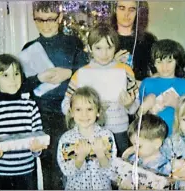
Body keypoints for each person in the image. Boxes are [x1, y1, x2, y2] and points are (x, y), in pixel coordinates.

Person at [20, 1, 89, 189]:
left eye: (50, 19)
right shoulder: (29, 47)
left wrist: (70, 72)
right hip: (41, 115)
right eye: (39, 20)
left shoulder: (72, 42)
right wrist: (39, 78)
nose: (45, 24)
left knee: (75, 163)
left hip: (70, 113)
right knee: (50, 168)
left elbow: (88, 72)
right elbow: (20, 86)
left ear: (59, 18)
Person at [61, 23, 139, 157]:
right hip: (90, 132)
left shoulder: (125, 71)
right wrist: (86, 108)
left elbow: (134, 106)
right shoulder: (81, 73)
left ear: (115, 47)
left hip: (119, 131)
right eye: (98, 48)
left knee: (118, 171)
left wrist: (129, 104)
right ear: (90, 48)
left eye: (109, 47)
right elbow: (65, 105)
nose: (104, 54)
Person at [0, 54, 47, 190]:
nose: (13, 79)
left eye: (16, 73)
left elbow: (38, 138)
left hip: (26, 172)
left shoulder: (30, 106)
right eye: (5, 75)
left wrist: (37, 149)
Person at [57, 86, 117, 190]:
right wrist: (80, 158)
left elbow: (113, 173)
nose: (84, 114)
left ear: (98, 111)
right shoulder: (66, 139)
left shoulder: (106, 136)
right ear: (71, 112)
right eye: (78, 109)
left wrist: (101, 155)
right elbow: (66, 171)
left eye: (89, 109)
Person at [138, 39, 185, 136]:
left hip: (177, 137)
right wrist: (143, 109)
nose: (164, 67)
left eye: (169, 61)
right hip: (151, 137)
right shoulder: (147, 83)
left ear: (177, 61)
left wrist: (176, 104)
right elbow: (138, 118)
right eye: (159, 62)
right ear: (153, 63)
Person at [118, 114, 171, 189]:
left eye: (139, 146)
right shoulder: (134, 157)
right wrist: (125, 156)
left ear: (156, 143)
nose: (134, 149)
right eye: (133, 144)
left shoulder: (163, 166)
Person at [111, 0, 157, 82]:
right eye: (122, 8)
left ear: (138, 13)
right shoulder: (105, 37)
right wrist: (112, 65)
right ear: (115, 10)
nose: (126, 14)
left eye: (131, 10)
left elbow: (158, 72)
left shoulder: (148, 39)